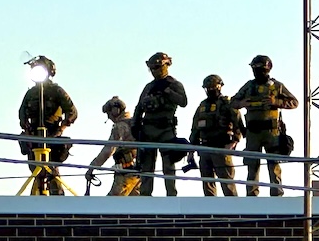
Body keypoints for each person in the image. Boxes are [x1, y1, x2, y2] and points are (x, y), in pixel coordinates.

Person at [230, 55, 299, 196]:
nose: (257, 72)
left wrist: (276, 102)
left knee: (273, 164)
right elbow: (233, 102)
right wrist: (242, 104)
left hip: (272, 131)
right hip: (253, 132)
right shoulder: (249, 86)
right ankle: (252, 194)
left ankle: (276, 193)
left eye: (259, 69)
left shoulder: (277, 86)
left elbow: (294, 102)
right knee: (252, 164)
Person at [18, 56, 78, 195]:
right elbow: (21, 115)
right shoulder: (31, 93)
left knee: (51, 172)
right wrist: (27, 131)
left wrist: (61, 129)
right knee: (36, 170)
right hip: (34, 136)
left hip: (52, 134)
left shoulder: (56, 91)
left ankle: (57, 201)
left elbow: (72, 112)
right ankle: (38, 200)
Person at [131, 52, 188, 196]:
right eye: (152, 68)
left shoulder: (174, 84)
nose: (154, 71)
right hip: (148, 129)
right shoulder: (149, 87)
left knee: (168, 165)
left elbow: (183, 102)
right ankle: (145, 195)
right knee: (146, 166)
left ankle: (171, 195)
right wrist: (135, 125)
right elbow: (139, 107)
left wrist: (168, 91)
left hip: (166, 129)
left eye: (156, 67)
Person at [189, 74, 245, 196]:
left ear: (219, 87)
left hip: (221, 148)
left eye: (212, 87)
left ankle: (234, 211)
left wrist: (233, 142)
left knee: (227, 183)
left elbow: (239, 125)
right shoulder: (202, 106)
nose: (210, 90)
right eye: (207, 88)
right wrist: (191, 151)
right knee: (207, 183)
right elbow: (195, 130)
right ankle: (211, 212)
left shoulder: (227, 103)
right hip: (204, 148)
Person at [84, 97, 140, 196]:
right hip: (139, 171)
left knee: (111, 204)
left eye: (108, 114)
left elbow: (108, 150)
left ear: (115, 111)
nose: (109, 117)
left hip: (125, 172)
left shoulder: (120, 126)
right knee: (136, 206)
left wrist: (92, 167)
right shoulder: (133, 123)